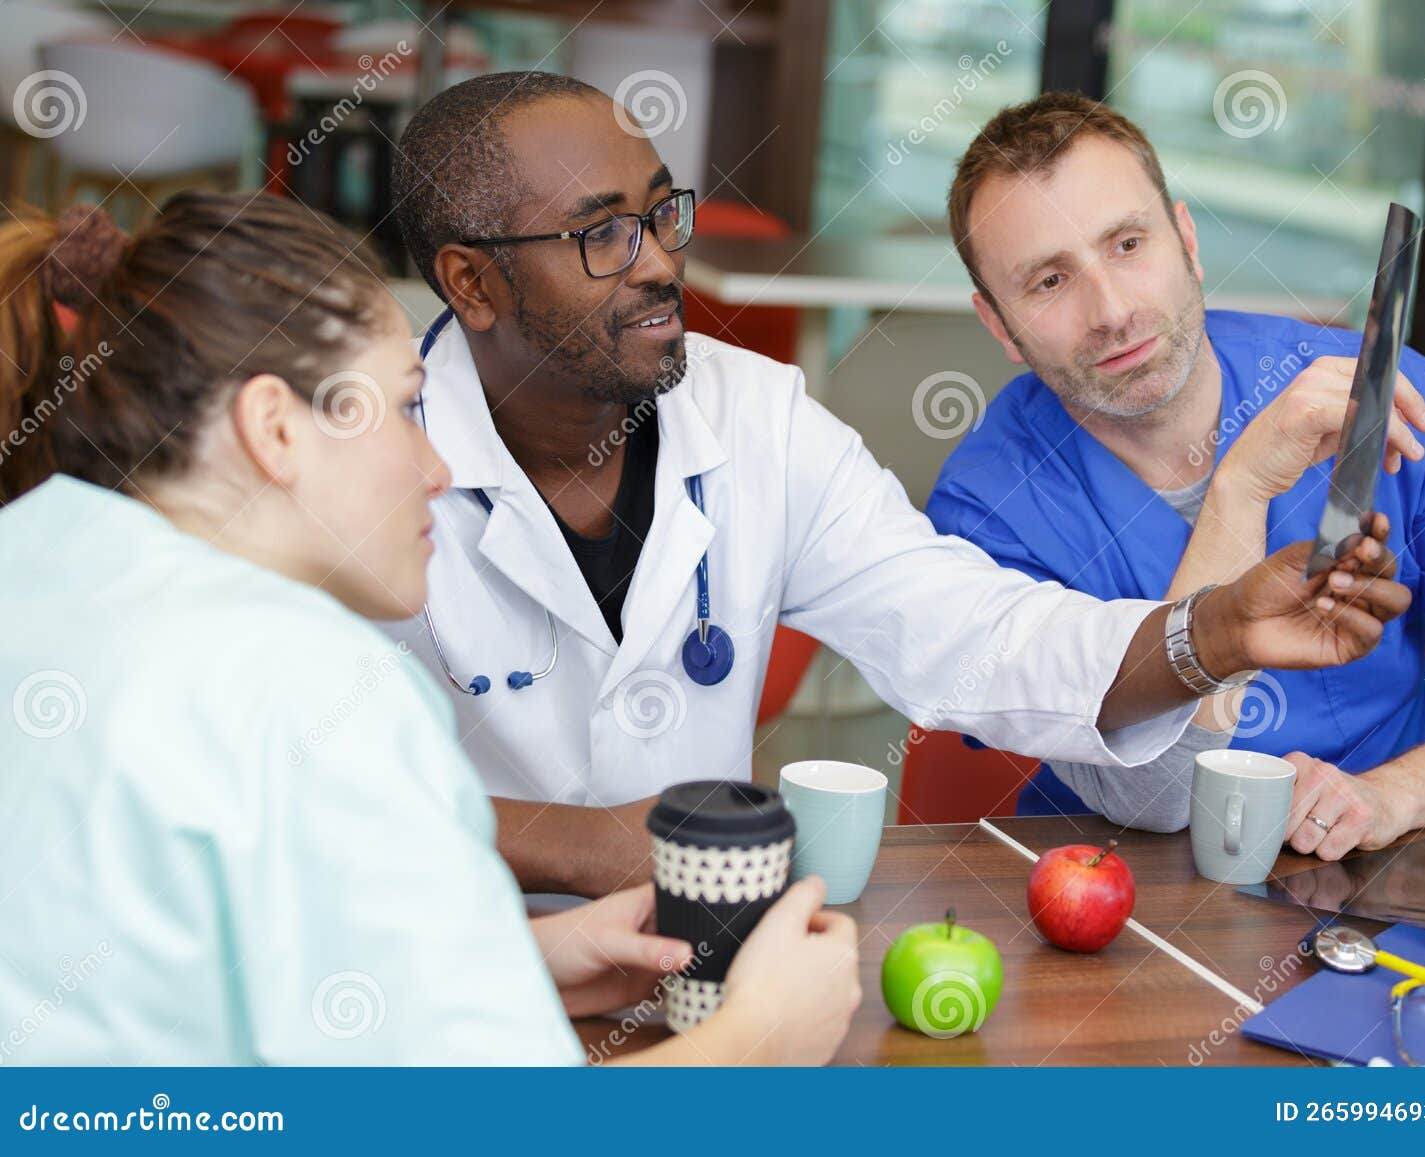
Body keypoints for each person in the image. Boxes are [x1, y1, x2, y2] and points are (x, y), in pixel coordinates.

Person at [386, 71, 1413, 898]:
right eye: (601, 233)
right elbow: (268, 764)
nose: (659, 263)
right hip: (426, 957)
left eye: (661, 214)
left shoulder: (756, 420)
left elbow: (973, 633)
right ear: (471, 282)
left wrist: (1215, 632)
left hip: (688, 950)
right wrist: (565, 843)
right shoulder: (359, 450)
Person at [0, 194, 859, 1065]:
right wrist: (763, 1035)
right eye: (405, 408)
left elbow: (169, 980)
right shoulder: (307, 681)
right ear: (274, 427)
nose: (436, 469)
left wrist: (519, 961)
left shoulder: (30, 556)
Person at [926, 91, 1425, 859]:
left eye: (1127, 244)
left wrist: (1391, 796)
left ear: (1186, 239)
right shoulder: (985, 512)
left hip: (1390, 875)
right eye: (1049, 281)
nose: (1110, 310)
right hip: (1123, 898)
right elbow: (1156, 797)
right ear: (997, 324)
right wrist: (1240, 490)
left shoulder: (1389, 400)